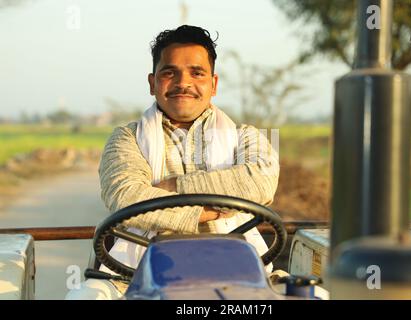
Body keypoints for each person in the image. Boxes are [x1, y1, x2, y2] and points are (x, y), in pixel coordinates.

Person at [66, 25, 280, 300]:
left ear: (213, 84)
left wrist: (174, 186)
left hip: (242, 273)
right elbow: (126, 196)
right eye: (170, 73)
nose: (183, 83)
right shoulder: (126, 138)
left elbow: (260, 183)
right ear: (152, 82)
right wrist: (206, 211)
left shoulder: (246, 137)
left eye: (196, 73)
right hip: (135, 276)